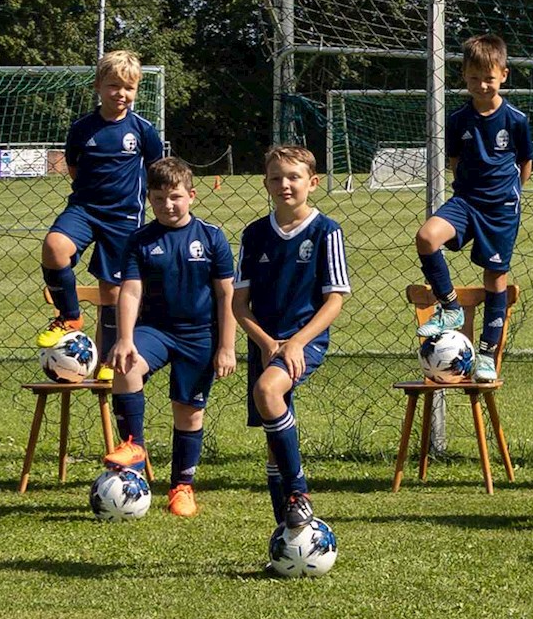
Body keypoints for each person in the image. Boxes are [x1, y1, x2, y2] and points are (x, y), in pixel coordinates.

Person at [108, 158, 239, 518]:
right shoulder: (139, 240)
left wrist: (227, 347)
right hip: (156, 331)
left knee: (189, 412)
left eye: (176, 197)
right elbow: (130, 290)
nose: (168, 205)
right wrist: (124, 337)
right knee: (125, 366)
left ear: (192, 196)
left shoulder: (212, 238)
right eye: (160, 198)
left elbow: (227, 296)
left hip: (200, 335)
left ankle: (182, 486)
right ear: (149, 198)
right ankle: (133, 448)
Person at [239, 142, 353, 552]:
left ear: (313, 182)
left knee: (268, 391)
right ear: (266, 183)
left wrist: (296, 343)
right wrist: (269, 343)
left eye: (293, 177)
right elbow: (238, 304)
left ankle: (300, 494)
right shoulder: (254, 234)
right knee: (273, 442)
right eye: (276, 178)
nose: (284, 185)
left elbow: (336, 298)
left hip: (306, 341)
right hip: (265, 344)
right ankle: (288, 537)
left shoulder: (327, 231)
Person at [419, 33, 530, 379]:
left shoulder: (516, 119)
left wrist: (508, 194)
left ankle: (485, 355)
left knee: (495, 279)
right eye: (473, 78)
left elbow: (525, 163)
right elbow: (455, 160)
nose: (482, 85)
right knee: (427, 237)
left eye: (489, 78)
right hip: (466, 201)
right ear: (464, 76)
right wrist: (470, 191)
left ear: (504, 75)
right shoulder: (457, 120)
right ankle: (450, 306)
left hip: (500, 209)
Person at [41, 51, 166, 359]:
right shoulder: (82, 128)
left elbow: (157, 171)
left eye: (129, 87)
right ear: (98, 85)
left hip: (123, 217)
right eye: (113, 86)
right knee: (54, 247)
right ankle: (69, 315)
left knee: (112, 291)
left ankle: (108, 360)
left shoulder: (142, 130)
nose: (121, 94)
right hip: (84, 209)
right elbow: (73, 167)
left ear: (136, 90)